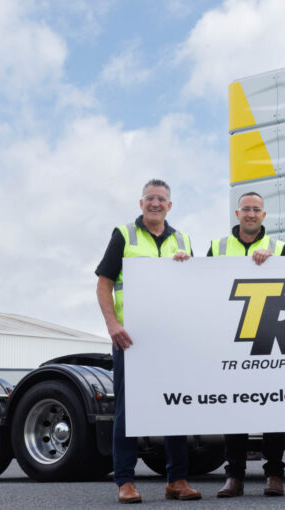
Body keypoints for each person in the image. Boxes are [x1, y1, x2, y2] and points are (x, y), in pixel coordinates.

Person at [96, 179, 201, 503]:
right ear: (141, 204)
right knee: (128, 411)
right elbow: (104, 284)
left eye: (162, 199)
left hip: (171, 340)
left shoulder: (182, 240)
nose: (156, 203)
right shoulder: (124, 235)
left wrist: (188, 266)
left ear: (169, 206)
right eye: (150, 198)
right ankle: (125, 482)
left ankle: (177, 480)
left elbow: (195, 287)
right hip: (131, 339)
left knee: (175, 406)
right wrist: (112, 325)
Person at [207, 191, 285, 497]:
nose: (251, 214)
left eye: (257, 210)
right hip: (231, 340)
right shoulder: (217, 247)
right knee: (235, 410)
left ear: (264, 215)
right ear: (237, 213)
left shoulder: (279, 247)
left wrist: (272, 264)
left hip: (270, 338)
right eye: (246, 209)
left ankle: (274, 475)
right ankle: (235, 476)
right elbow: (202, 286)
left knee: (273, 409)